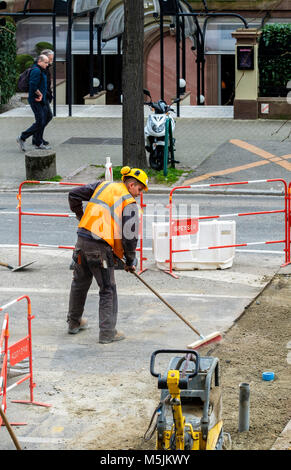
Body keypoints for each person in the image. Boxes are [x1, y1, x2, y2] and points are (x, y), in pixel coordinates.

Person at [66, 166, 149, 344]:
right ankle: (107, 333)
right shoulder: (129, 203)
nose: (140, 194)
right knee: (108, 289)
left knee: (79, 283)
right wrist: (130, 260)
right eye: (140, 189)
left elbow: (73, 194)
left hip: (82, 241)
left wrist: (81, 217)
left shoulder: (102, 186)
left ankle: (73, 323)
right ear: (132, 184)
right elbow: (130, 237)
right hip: (100, 249)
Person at [17, 54, 49, 151]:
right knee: (40, 121)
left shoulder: (40, 70)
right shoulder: (36, 70)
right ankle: (22, 137)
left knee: (42, 121)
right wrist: (39, 94)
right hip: (35, 100)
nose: (47, 64)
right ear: (39, 61)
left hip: (40, 100)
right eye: (46, 62)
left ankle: (38, 143)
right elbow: (33, 85)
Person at [32, 49, 54, 148]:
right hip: (41, 97)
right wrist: (42, 94)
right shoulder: (39, 68)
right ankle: (36, 138)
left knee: (45, 117)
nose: (51, 61)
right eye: (50, 59)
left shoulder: (45, 67)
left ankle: (37, 137)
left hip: (45, 96)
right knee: (45, 117)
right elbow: (35, 84)